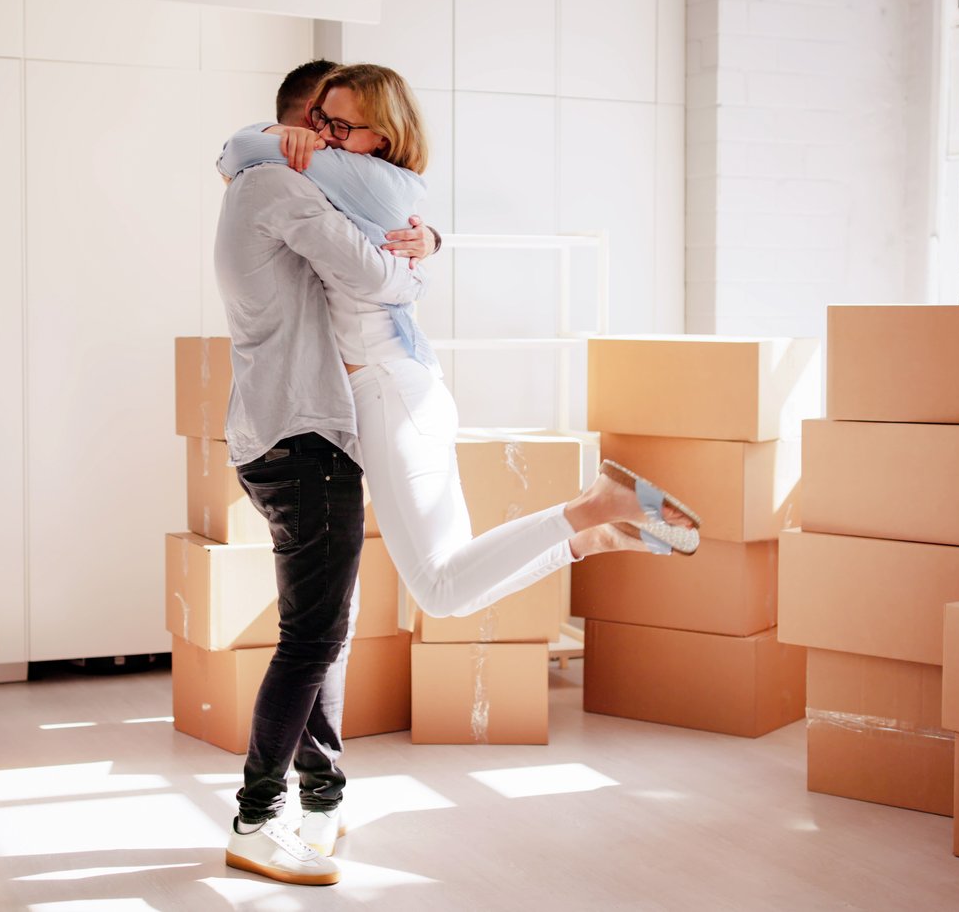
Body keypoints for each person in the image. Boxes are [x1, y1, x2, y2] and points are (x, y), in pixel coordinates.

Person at [212, 61, 700, 887]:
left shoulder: (332, 180)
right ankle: (591, 530)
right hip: (382, 398)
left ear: (378, 137)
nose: (324, 139)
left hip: (385, 399)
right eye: (315, 123)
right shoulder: (307, 181)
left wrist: (418, 248)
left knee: (413, 597)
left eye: (341, 126)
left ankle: (589, 514)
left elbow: (375, 261)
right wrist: (424, 246)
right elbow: (350, 221)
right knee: (367, 612)